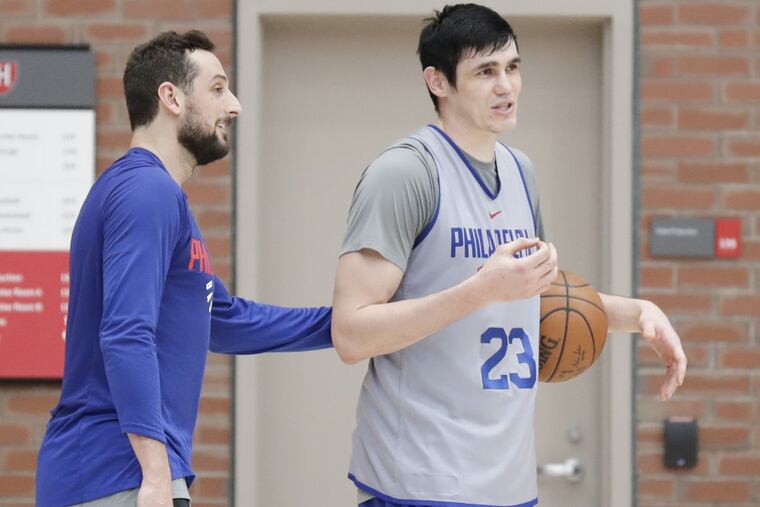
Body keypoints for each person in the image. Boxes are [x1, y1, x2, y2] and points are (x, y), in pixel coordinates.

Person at [331, 4, 687, 507]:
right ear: (438, 81)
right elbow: (350, 333)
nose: (507, 86)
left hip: (508, 483)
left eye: (513, 67)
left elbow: (531, 295)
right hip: (417, 480)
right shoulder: (405, 174)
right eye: (486, 72)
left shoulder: (521, 172)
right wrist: (478, 291)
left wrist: (639, 313)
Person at [35, 30, 332, 507]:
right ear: (170, 97)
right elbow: (126, 332)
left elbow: (226, 319)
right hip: (117, 473)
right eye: (217, 89)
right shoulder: (147, 192)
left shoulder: (160, 197)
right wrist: (155, 472)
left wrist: (345, 324)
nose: (234, 106)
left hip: (124, 473)